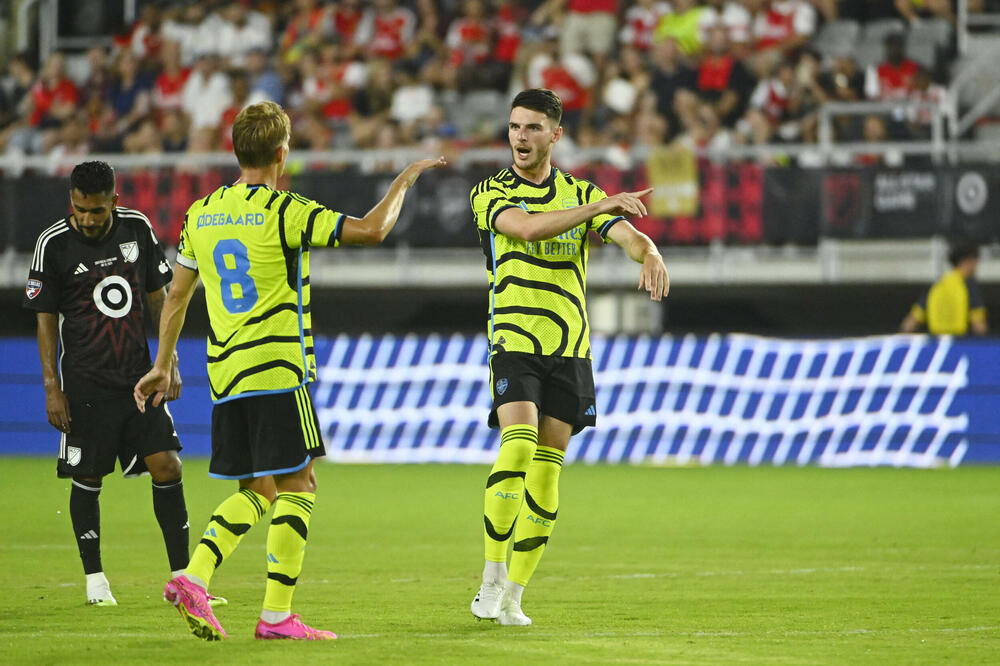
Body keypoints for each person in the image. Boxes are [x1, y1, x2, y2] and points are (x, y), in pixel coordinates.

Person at [133, 101, 444, 641]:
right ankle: (268, 613)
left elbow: (177, 295)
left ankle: (197, 578)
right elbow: (372, 230)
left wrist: (162, 364)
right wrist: (404, 180)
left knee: (258, 489)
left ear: (237, 150)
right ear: (283, 153)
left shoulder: (201, 213)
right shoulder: (286, 210)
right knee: (300, 483)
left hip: (226, 374)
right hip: (277, 368)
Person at [468, 89, 669, 625]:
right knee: (517, 444)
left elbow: (626, 236)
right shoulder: (491, 191)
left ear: (555, 135)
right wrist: (600, 206)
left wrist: (649, 251)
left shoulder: (580, 191)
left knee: (548, 471)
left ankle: (514, 596)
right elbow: (527, 228)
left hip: (570, 349)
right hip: (514, 341)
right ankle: (491, 575)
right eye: (515, 126)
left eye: (533, 128)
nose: (521, 137)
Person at [23, 160, 205, 607]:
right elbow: (45, 319)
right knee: (87, 476)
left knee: (168, 466)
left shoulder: (136, 228)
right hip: (85, 385)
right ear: (72, 201)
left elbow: (160, 296)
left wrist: (169, 360)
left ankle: (183, 580)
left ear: (114, 202)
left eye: (97, 210)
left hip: (139, 378)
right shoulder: (52, 243)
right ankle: (96, 582)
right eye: (80, 209)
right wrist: (51, 386)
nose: (87, 219)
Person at [900, 240, 988, 336]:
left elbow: (908, 324)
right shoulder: (969, 286)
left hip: (937, 341)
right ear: (968, 261)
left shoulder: (936, 286)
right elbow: (979, 327)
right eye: (976, 261)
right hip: (959, 341)